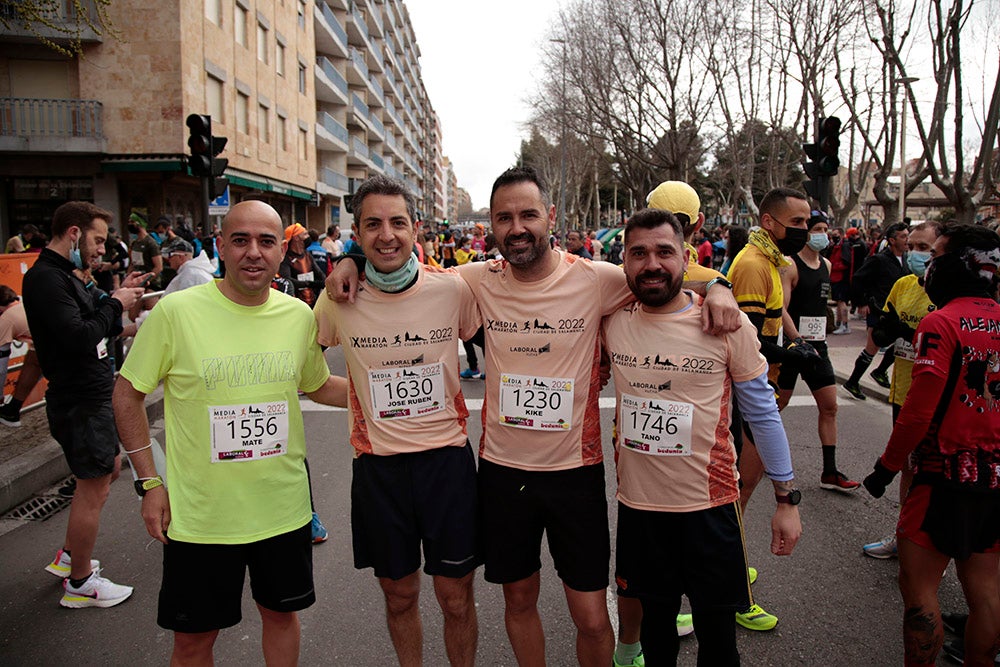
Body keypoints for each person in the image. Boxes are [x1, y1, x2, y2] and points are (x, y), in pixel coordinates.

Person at [326, 166, 741, 666]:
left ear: (551, 216)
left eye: (528, 214)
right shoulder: (474, 280)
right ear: (492, 225)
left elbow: (659, 272)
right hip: (503, 474)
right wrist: (351, 258)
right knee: (519, 602)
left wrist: (721, 285)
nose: (517, 227)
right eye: (504, 218)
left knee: (591, 617)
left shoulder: (596, 279)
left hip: (575, 474)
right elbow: (401, 266)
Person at [112, 200, 347, 664]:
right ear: (221, 246)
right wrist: (151, 482)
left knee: (281, 616)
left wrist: (382, 392)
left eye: (266, 241)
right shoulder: (176, 313)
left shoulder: (297, 315)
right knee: (193, 640)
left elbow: (317, 384)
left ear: (282, 251)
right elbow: (126, 395)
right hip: (201, 518)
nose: (253, 252)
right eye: (240, 240)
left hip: (282, 511)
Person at [604, 208, 801, 666]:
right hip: (640, 511)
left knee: (718, 643)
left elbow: (763, 415)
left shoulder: (727, 324)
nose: (652, 264)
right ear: (624, 262)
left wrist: (786, 499)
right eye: (638, 253)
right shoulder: (612, 320)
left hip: (708, 510)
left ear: (686, 257)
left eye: (664, 252)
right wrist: (717, 284)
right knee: (657, 640)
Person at [314, 175, 481, 666]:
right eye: (372, 225)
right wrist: (363, 401)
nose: (386, 235)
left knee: (455, 597)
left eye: (397, 223)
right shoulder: (336, 297)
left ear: (415, 229)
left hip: (446, 466)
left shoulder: (452, 289)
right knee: (400, 596)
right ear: (357, 233)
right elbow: (309, 379)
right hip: (379, 472)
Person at [862, 223, 1000, 667]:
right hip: (994, 478)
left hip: (941, 477)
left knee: (919, 590)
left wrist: (885, 469)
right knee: (987, 594)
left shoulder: (940, 322)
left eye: (935, 255)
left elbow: (918, 413)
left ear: (958, 265)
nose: (928, 264)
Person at [22, 201, 148, 607]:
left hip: (90, 395)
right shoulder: (47, 279)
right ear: (74, 233)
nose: (101, 250)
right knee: (93, 485)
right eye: (97, 240)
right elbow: (80, 336)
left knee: (106, 469)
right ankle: (80, 583)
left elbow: (96, 323)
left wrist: (118, 298)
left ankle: (69, 555)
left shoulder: (63, 276)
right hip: (79, 399)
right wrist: (115, 303)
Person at [725, 187, 817, 631]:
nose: (804, 230)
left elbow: (774, 323)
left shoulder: (771, 261)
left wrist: (795, 343)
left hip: (764, 389)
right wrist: (790, 354)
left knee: (742, 492)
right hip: (749, 396)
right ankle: (732, 590)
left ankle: (730, 567)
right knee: (737, 495)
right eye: (797, 222)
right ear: (768, 222)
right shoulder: (752, 265)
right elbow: (748, 342)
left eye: (807, 222)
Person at [861, 221, 942, 559]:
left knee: (934, 472)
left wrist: (910, 334)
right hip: (902, 389)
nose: (915, 254)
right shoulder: (903, 285)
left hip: (936, 395)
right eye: (912, 247)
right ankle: (904, 535)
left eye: (924, 248)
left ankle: (933, 543)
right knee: (908, 466)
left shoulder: (947, 292)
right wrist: (885, 330)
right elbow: (883, 333)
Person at [776, 211, 859, 491]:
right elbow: (781, 309)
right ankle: (755, 454)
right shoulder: (790, 265)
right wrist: (797, 341)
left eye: (825, 229)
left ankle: (830, 471)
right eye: (817, 229)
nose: (823, 234)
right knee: (777, 405)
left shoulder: (826, 264)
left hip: (818, 348)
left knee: (830, 407)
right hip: (792, 347)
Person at [843, 222, 910, 398]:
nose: (907, 240)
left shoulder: (906, 260)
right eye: (903, 236)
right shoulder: (879, 260)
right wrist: (862, 303)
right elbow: (858, 279)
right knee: (872, 347)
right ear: (892, 240)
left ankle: (880, 371)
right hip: (879, 310)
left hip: (897, 311)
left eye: (907, 236)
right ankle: (852, 382)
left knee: (903, 341)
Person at [0, 285, 43, 428]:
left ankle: (12, 409)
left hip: (62, 350)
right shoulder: (24, 304)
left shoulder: (5, 319)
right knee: (33, 357)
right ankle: (12, 409)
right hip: (66, 343)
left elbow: (1, 368)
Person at [279, 223, 327, 306]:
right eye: (305, 234)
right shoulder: (286, 258)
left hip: (312, 301)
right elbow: (287, 280)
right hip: (295, 303)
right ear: (296, 238)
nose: (308, 237)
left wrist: (325, 282)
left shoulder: (307, 254)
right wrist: (309, 284)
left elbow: (319, 273)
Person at [127, 212, 163, 286]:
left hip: (151, 284)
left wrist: (145, 281)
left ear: (139, 223)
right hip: (136, 281)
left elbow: (158, 267)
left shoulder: (151, 243)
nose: (130, 224)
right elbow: (132, 263)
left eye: (132, 222)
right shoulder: (134, 243)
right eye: (129, 222)